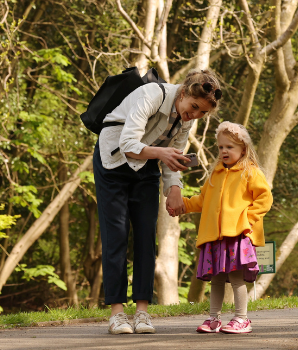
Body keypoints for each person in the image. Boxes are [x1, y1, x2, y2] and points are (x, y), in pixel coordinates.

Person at [94, 69, 224, 335]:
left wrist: (174, 188)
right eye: (194, 107)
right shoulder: (152, 95)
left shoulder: (187, 119)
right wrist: (163, 154)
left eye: (202, 113)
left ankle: (142, 312)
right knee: (116, 234)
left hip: (149, 164)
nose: (195, 115)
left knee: (145, 235)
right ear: (185, 92)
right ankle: (117, 313)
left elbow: (174, 157)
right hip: (114, 161)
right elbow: (128, 143)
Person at [173, 121, 272, 334]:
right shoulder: (215, 175)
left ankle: (242, 319)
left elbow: (264, 198)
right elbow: (202, 201)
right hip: (214, 236)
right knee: (216, 279)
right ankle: (213, 318)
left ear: (243, 149)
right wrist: (183, 205)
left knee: (236, 279)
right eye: (220, 147)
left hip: (238, 235)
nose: (224, 151)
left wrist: (247, 220)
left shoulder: (250, 172)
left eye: (230, 147)